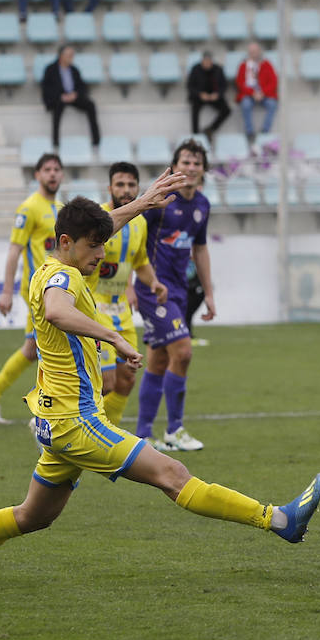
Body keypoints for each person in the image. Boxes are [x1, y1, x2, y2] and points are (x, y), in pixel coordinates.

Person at [0, 191, 320, 583]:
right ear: (66, 242)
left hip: (55, 419)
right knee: (173, 475)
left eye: (102, 244)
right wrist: (114, 337)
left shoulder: (51, 267)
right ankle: (279, 520)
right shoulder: (63, 280)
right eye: (93, 246)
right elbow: (55, 311)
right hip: (76, 420)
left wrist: (141, 202)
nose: (101, 255)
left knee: (32, 515)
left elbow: (101, 229)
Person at [134, 140, 215, 452]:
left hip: (179, 290)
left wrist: (209, 293)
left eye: (196, 163)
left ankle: (143, 435)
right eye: (185, 162)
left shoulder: (203, 205)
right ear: (175, 166)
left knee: (158, 359)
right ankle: (175, 430)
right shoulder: (161, 201)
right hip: (153, 289)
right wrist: (132, 282)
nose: (191, 168)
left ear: (203, 169)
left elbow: (201, 248)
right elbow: (136, 241)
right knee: (183, 352)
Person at [0, 153, 64, 425]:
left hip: (56, 288)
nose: (52, 174)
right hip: (38, 291)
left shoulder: (61, 208)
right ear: (37, 175)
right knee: (48, 348)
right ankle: (43, 410)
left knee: (31, 349)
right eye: (47, 169)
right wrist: (6, 292)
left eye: (57, 169)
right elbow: (15, 250)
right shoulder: (29, 208)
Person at [96, 161, 168, 427]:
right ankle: (51, 421)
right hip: (95, 311)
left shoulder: (139, 224)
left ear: (138, 188)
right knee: (106, 382)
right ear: (110, 188)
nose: (126, 190)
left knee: (127, 378)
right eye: (120, 184)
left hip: (122, 313)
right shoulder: (99, 220)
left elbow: (139, 263)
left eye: (131, 185)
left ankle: (110, 433)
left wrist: (155, 283)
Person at [41, 45, 101, 149]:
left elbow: (82, 86)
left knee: (91, 105)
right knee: (57, 108)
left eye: (72, 55)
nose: (71, 57)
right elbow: (47, 88)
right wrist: (61, 96)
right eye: (69, 55)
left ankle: (96, 141)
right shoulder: (50, 69)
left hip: (73, 97)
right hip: (58, 98)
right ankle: (56, 142)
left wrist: (75, 94)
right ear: (61, 56)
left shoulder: (74, 69)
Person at [235, 43, 278, 146]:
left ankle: (265, 130)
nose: (253, 54)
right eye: (251, 52)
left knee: (272, 104)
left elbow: (273, 81)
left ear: (259, 52)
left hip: (264, 93)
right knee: (245, 104)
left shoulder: (267, 64)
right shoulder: (243, 65)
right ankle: (249, 131)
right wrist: (252, 93)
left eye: (255, 52)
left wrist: (263, 93)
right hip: (249, 93)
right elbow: (240, 82)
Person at [187, 51, 231, 140]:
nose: (207, 63)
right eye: (205, 61)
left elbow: (224, 85)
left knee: (226, 110)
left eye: (208, 61)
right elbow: (190, 86)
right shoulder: (195, 69)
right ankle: (195, 133)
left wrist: (217, 94)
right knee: (195, 108)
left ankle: (210, 129)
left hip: (214, 97)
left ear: (212, 61)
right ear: (202, 61)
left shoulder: (218, 69)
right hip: (199, 97)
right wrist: (200, 94)